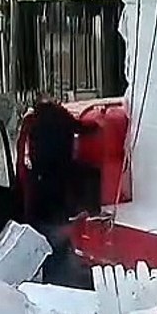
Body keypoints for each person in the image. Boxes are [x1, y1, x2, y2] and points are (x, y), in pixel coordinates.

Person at [26, 94, 99, 287]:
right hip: (61, 176)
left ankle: (51, 276)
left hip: (43, 180)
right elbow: (83, 129)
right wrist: (98, 125)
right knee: (59, 222)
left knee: (48, 228)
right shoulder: (61, 116)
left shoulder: (35, 123)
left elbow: (32, 153)